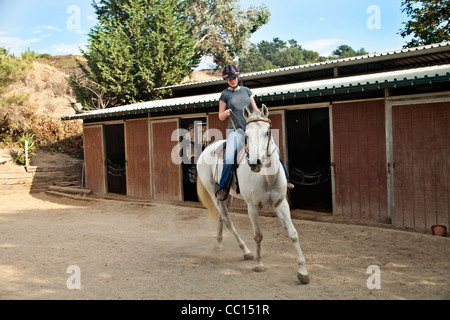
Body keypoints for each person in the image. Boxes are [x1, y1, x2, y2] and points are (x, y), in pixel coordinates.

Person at [215, 64, 294, 201]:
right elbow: (220, 116)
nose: (233, 80)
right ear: (226, 80)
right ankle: (223, 188)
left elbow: (255, 109)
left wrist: (262, 117)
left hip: (252, 128)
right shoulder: (225, 94)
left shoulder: (246, 91)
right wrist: (225, 113)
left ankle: (285, 179)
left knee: (275, 149)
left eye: (234, 77)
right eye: (229, 79)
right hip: (236, 130)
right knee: (229, 157)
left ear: (237, 77)